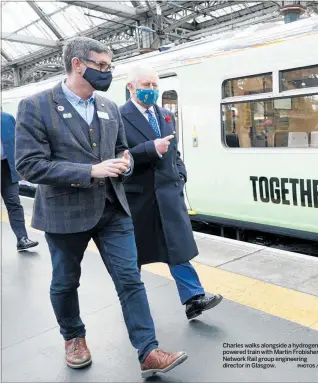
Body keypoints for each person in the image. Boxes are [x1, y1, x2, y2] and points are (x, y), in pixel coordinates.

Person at [14, 36, 187, 378]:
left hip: (113, 209)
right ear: (78, 65)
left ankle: (148, 350)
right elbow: (28, 166)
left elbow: (124, 151)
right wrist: (89, 171)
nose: (108, 73)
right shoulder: (35, 106)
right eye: (102, 66)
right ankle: (74, 337)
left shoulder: (108, 107)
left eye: (110, 67)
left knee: (130, 280)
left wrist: (126, 162)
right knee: (66, 281)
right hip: (65, 213)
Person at [120, 66, 222, 320]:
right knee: (136, 253)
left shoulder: (165, 115)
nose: (151, 90)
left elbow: (174, 152)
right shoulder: (118, 117)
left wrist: (181, 174)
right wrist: (149, 149)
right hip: (138, 197)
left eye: (155, 85)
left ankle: (193, 298)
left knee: (176, 246)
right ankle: (132, 302)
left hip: (168, 194)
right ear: (131, 87)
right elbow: (117, 157)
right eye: (146, 85)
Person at [1, 110, 39, 251]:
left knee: (14, 203)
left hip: (6, 168)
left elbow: (20, 143)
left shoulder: (7, 118)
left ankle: (22, 239)